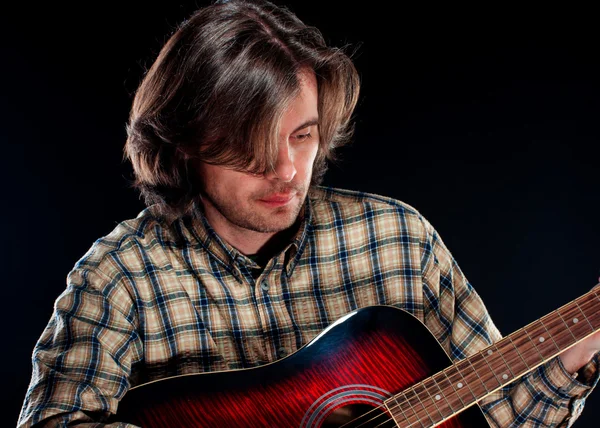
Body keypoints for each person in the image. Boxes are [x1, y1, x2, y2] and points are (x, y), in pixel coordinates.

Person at [18, 0, 600, 426]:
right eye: (251, 146)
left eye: (302, 135)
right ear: (185, 144)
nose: (287, 170)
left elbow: (497, 417)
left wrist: (572, 358)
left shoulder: (400, 241)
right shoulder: (117, 279)